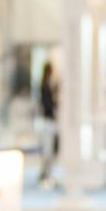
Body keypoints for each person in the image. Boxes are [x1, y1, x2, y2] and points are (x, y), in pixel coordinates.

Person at [35, 59, 59, 187]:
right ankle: (45, 174)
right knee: (48, 150)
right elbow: (48, 105)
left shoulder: (46, 85)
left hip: (48, 121)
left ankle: (46, 173)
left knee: (49, 150)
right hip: (47, 121)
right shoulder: (45, 86)